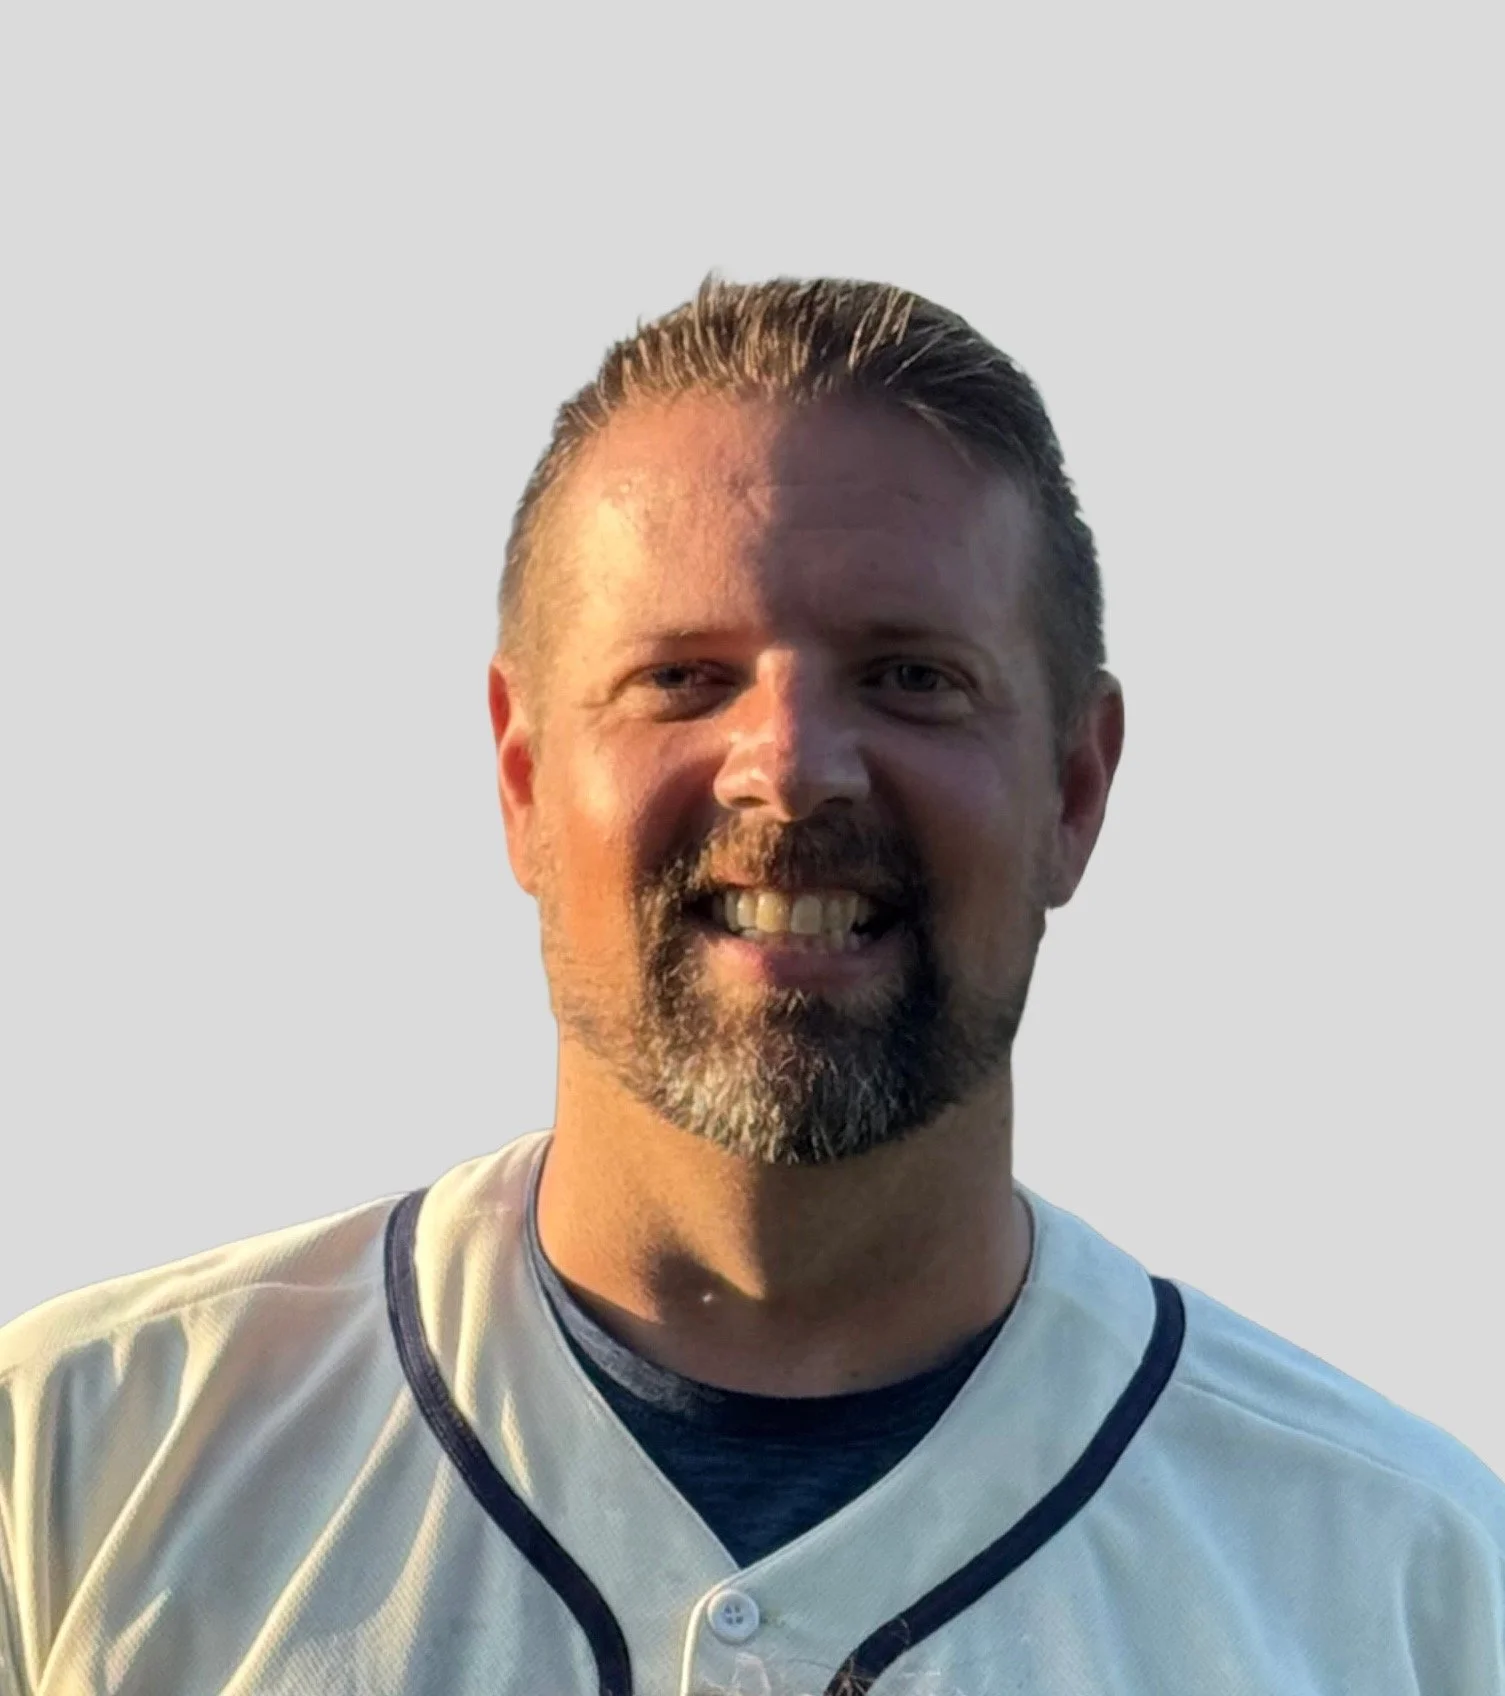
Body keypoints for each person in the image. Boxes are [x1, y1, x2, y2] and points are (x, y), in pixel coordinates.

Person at [1, 276, 1500, 1696]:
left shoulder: (1405, 1582)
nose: (789, 768)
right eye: (684, 678)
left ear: (1078, 788)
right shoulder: (78, 1466)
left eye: (912, 675)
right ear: (523, 780)